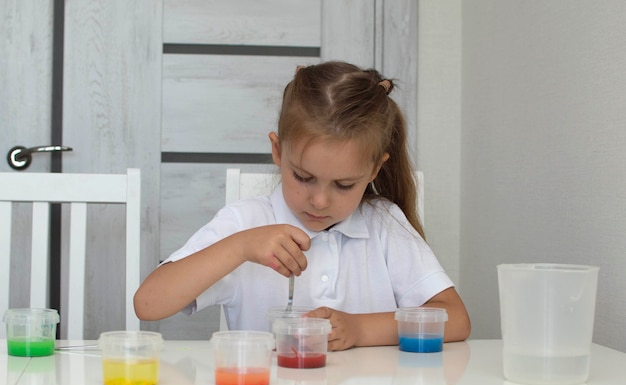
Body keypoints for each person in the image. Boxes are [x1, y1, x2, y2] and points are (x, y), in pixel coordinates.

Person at [134, 61, 471, 351]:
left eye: (343, 185)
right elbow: (148, 303)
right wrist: (240, 246)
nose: (320, 201)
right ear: (279, 153)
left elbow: (455, 320)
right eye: (304, 177)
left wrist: (360, 330)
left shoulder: (383, 224)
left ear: (374, 170)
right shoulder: (245, 222)